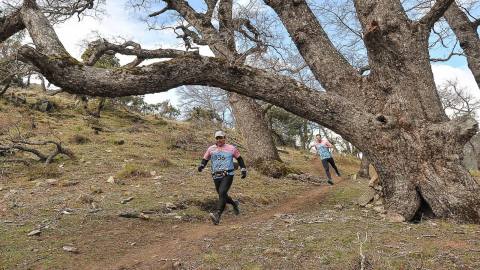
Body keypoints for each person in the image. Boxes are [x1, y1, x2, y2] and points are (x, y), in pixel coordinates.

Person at [198, 130, 247, 225]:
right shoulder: (211, 149)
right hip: (216, 175)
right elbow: (205, 159)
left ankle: (217, 215)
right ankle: (234, 203)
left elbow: (240, 159)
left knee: (222, 192)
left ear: (224, 138)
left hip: (228, 174)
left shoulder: (231, 148)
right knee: (222, 195)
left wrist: (243, 169)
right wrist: (201, 166)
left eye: (221, 138)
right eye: (217, 138)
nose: (219, 140)